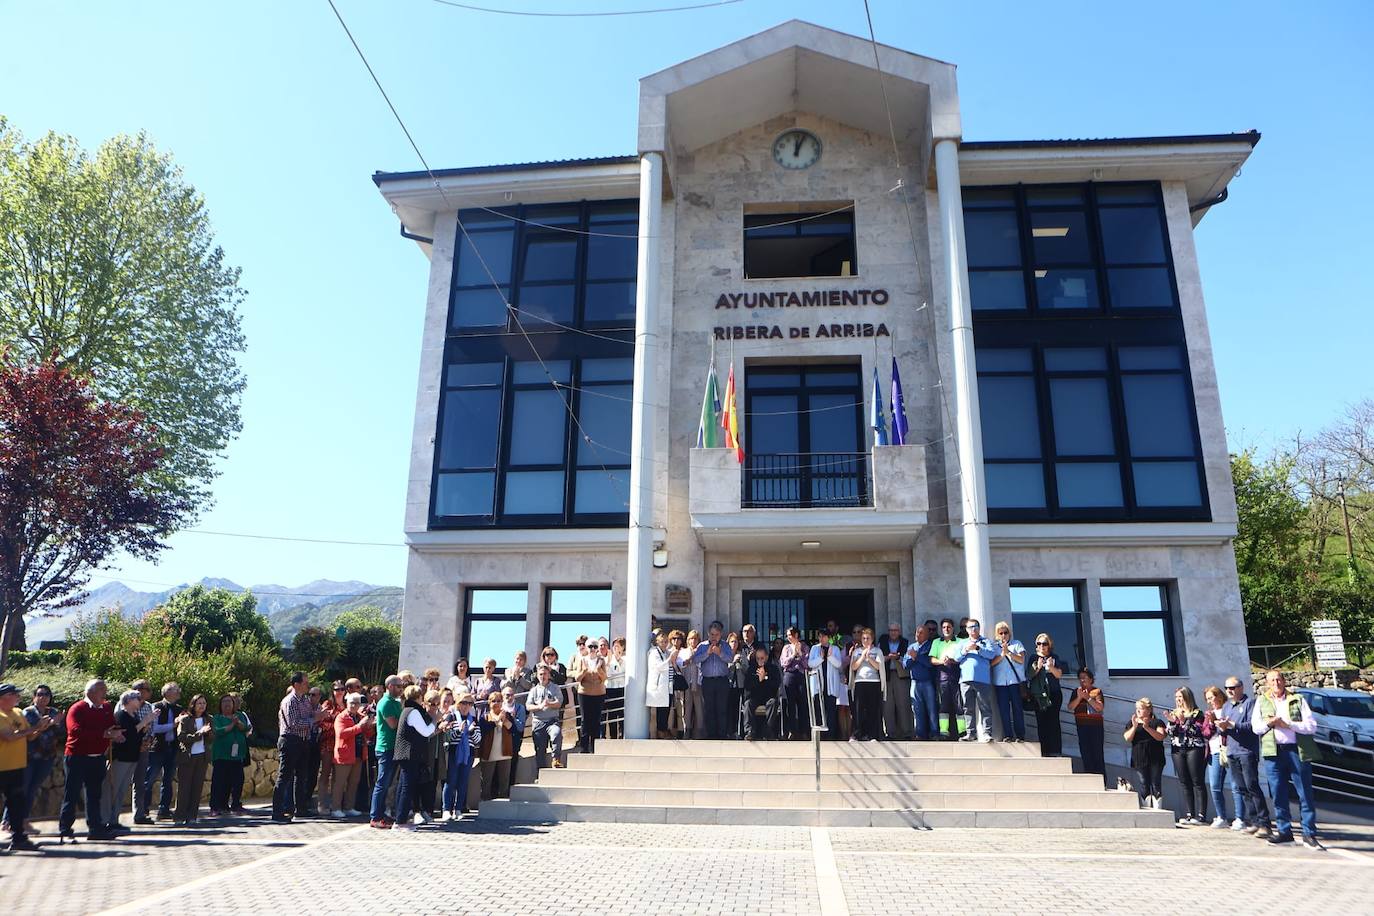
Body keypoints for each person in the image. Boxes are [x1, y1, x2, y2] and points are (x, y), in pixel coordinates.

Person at [1252, 670, 1322, 848]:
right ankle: (1284, 831)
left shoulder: (1297, 699)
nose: (1276, 683)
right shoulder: (1262, 701)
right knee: (1278, 793)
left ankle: (1309, 832)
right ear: (1267, 683)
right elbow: (1256, 728)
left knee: (1304, 792)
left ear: (1283, 681)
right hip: (1273, 752)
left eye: (1278, 679)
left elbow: (1311, 726)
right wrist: (1270, 723)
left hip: (1296, 750)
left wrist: (1287, 725)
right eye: (1272, 680)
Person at [59, 679, 123, 842]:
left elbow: (111, 725)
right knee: (71, 794)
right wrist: (103, 734)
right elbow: (75, 730)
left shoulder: (106, 708)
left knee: (95, 794)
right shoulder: (77, 708)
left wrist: (117, 733)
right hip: (77, 757)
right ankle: (65, 829)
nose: (105, 693)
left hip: (97, 758)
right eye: (102, 689)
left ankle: (95, 829)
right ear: (91, 692)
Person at [1218, 675, 1271, 838]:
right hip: (1232, 751)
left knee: (1252, 786)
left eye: (1232, 688)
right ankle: (1254, 821)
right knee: (1242, 788)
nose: (1229, 691)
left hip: (1247, 751)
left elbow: (1252, 726)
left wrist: (1232, 725)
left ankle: (1265, 823)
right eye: (1227, 688)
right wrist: (1221, 727)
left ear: (1241, 688)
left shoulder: (1250, 704)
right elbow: (1223, 730)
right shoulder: (1226, 706)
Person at [0, 684, 49, 851]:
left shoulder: (19, 713)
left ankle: (19, 838)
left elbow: (30, 737)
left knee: (16, 805)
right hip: (1, 767)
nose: (18, 697)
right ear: (3, 698)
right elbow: (8, 737)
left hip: (17, 767)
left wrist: (41, 727)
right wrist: (34, 729)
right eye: (14, 694)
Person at [18, 684, 63, 837]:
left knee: (32, 789)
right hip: (29, 757)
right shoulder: (28, 713)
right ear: (34, 697)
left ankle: (15, 821)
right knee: (24, 789)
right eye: (40, 694)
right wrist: (47, 725)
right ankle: (18, 821)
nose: (43, 697)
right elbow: (29, 735)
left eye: (46, 694)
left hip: (47, 757)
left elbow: (61, 733)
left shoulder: (54, 712)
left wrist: (55, 724)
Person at [273, 672, 315, 823]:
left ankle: (301, 808)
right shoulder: (289, 701)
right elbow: (294, 723)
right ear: (296, 684)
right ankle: (277, 812)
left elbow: (309, 716)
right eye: (305, 683)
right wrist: (314, 719)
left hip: (303, 741)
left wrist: (315, 717)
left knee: (301, 776)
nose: (307, 685)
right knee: (284, 776)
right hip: (290, 741)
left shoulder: (305, 700)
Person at [101, 689, 146, 831]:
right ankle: (105, 821)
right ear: (127, 701)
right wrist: (146, 721)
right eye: (137, 698)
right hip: (120, 757)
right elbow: (129, 734)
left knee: (121, 791)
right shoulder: (120, 715)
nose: (140, 700)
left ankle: (114, 820)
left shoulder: (135, 716)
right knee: (111, 789)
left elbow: (136, 736)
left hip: (132, 757)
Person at [1163, 685, 1208, 825]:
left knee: (1197, 781)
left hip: (1194, 748)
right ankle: (1190, 814)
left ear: (1187, 698)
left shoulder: (1197, 713)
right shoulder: (1174, 713)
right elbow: (1170, 733)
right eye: (1176, 698)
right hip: (1178, 749)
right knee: (1184, 782)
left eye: (1180, 697)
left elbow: (1198, 731)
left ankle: (1201, 815)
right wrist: (1172, 721)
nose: (1178, 701)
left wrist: (1183, 721)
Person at [141, 682, 181, 823]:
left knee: (168, 780)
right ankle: (144, 809)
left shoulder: (179, 709)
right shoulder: (157, 706)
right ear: (167, 692)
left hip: (173, 747)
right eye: (175, 690)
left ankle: (164, 809)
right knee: (150, 779)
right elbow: (155, 728)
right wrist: (173, 725)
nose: (178, 692)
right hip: (157, 748)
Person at [172, 694, 213, 825]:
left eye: (204, 703)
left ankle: (192, 816)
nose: (202, 706)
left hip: (202, 757)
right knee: (184, 788)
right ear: (193, 704)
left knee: (197, 787)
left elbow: (213, 738)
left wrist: (210, 732)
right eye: (199, 703)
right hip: (188, 757)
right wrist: (199, 733)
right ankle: (179, 816)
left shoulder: (208, 719)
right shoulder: (185, 720)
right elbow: (182, 737)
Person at [369, 675, 404, 829]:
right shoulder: (386, 703)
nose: (401, 689)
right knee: (382, 783)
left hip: (393, 748)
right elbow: (393, 724)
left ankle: (382, 814)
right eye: (398, 686)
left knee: (388, 783)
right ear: (390, 686)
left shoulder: (395, 703)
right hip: (385, 748)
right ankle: (375, 816)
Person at [956, 620, 998, 743]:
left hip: (982, 680)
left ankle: (987, 733)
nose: (973, 629)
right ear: (967, 630)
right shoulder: (962, 642)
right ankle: (970, 733)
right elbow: (956, 657)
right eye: (970, 627)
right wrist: (965, 650)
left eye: (975, 626)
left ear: (979, 628)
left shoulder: (986, 642)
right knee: (967, 708)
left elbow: (991, 655)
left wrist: (978, 648)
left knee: (985, 707)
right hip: (965, 679)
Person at [442, 694, 481, 818]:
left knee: (463, 781)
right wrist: (459, 730)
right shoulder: (451, 716)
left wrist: (471, 731)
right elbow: (447, 737)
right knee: (451, 780)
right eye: (464, 703)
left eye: (469, 704)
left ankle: (458, 809)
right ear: (458, 703)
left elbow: (478, 740)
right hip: (454, 752)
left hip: (468, 753)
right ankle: (446, 809)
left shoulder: (474, 719)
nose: (466, 706)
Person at [1123, 698, 1166, 809]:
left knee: (1155, 782)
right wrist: (1134, 726)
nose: (1138, 711)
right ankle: (1147, 808)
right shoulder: (1132, 723)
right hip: (1139, 757)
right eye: (1137, 708)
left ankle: (1158, 809)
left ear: (1149, 710)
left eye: (1141, 708)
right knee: (1143, 783)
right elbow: (1127, 738)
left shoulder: (1157, 722)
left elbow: (1160, 736)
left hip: (1155, 756)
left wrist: (1146, 727)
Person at [208, 695, 248, 816]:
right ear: (220, 705)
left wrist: (238, 722)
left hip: (237, 756)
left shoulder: (240, 716)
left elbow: (246, 728)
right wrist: (231, 725)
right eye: (224, 701)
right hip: (221, 755)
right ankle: (216, 806)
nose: (227, 704)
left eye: (229, 702)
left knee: (237, 781)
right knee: (219, 782)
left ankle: (236, 804)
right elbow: (218, 731)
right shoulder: (216, 718)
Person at [1202, 686, 1235, 828]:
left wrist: (1218, 721)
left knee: (1236, 785)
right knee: (1215, 785)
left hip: (1228, 749)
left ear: (1219, 696)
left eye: (1212, 697)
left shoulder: (1228, 709)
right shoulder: (1210, 713)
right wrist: (1210, 722)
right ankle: (1221, 816)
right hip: (1214, 751)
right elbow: (1206, 733)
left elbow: (1227, 730)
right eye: (1208, 699)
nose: (1210, 701)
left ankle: (1240, 818)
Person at [988, 621, 1027, 742]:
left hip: (1015, 682)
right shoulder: (994, 647)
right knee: (1004, 710)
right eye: (1001, 633)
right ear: (997, 635)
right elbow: (991, 663)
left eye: (1006, 632)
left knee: (1017, 709)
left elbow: (1021, 660)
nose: (1003, 635)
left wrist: (1009, 652)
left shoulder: (1017, 644)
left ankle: (1020, 735)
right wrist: (1002, 655)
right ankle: (1008, 735)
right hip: (1000, 684)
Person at [1026, 635, 1063, 756]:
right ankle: (1045, 751)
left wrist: (1051, 667)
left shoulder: (1054, 657)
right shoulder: (1033, 658)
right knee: (1042, 723)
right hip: (1039, 696)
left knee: (1054, 723)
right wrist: (1038, 666)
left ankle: (1056, 750)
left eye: (1045, 643)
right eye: (1039, 643)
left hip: (1054, 693)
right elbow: (1029, 675)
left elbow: (1058, 675)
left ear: (1049, 645)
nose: (1042, 646)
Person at [848, 627, 887, 742]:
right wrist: (862, 656)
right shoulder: (857, 651)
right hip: (860, 682)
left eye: (868, 638)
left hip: (874, 682)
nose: (865, 640)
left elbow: (878, 667)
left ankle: (873, 735)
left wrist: (869, 657)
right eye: (864, 638)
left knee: (873, 709)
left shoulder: (877, 651)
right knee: (859, 709)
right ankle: (857, 734)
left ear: (872, 639)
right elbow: (853, 667)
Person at [1069, 668, 1106, 786]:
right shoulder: (1076, 691)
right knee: (1085, 752)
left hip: (1095, 727)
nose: (1082, 680)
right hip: (1082, 726)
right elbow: (1070, 707)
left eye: (1084, 677)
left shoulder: (1097, 691)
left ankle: (1102, 782)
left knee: (1097, 753)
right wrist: (1079, 697)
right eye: (1080, 678)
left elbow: (1099, 707)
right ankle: (1090, 782)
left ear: (1091, 679)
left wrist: (1088, 698)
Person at [878, 623, 914, 740]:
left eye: (895, 630)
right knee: (887, 705)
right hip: (887, 676)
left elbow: (909, 660)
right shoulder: (882, 642)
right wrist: (887, 657)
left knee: (903, 704)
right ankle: (890, 732)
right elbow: (877, 658)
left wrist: (898, 658)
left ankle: (906, 732)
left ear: (899, 631)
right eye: (891, 630)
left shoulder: (906, 643)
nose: (893, 632)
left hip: (901, 676)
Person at [477, 690, 513, 802]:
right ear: (489, 703)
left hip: (505, 753)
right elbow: (485, 729)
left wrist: (505, 720)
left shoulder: (507, 715)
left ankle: (503, 803)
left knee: (504, 781)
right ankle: (485, 802)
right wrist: (497, 720)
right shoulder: (484, 717)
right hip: (489, 753)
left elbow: (514, 730)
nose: (496, 703)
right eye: (493, 701)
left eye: (499, 700)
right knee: (486, 781)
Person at [930, 618, 963, 740]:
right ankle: (944, 732)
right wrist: (942, 661)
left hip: (957, 677)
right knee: (943, 706)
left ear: (953, 628)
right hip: (942, 678)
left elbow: (963, 658)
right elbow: (932, 660)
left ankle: (962, 732)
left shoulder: (960, 641)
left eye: (948, 627)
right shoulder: (936, 642)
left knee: (959, 706)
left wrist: (952, 661)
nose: (946, 629)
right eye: (944, 627)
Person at [904, 624, 938, 740]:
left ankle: (934, 733)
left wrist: (916, 657)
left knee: (931, 709)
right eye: (917, 632)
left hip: (927, 681)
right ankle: (920, 733)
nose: (918, 635)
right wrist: (913, 658)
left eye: (921, 633)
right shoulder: (911, 647)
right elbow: (905, 664)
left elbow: (929, 663)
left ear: (927, 635)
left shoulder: (930, 646)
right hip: (914, 682)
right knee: (917, 709)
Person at [808, 631, 844, 740]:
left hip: (830, 686)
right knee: (819, 711)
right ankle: (820, 737)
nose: (821, 638)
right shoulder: (815, 648)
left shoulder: (835, 649)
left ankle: (831, 736)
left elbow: (838, 664)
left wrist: (829, 657)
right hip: (819, 685)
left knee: (831, 711)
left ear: (828, 637)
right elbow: (810, 664)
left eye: (824, 636)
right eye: (820, 636)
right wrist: (821, 658)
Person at [527, 664, 564, 769]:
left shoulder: (555, 688)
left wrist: (549, 704)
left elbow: (559, 703)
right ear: (537, 676)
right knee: (539, 750)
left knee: (556, 733)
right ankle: (540, 774)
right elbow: (528, 706)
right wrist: (539, 706)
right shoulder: (533, 690)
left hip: (552, 721)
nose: (543, 676)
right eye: (541, 674)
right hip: (538, 722)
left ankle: (556, 760)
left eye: (545, 674)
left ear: (549, 675)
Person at [575, 640, 607, 753]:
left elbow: (604, 678)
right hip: (584, 694)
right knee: (585, 720)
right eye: (590, 646)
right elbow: (577, 678)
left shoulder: (601, 661)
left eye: (595, 646)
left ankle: (594, 747)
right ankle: (584, 747)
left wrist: (598, 670)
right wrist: (584, 671)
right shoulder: (582, 660)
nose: (592, 649)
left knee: (596, 720)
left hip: (599, 694)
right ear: (587, 648)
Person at [743, 646, 781, 740]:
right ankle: (749, 731)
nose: (760, 660)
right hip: (755, 697)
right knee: (748, 704)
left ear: (767, 657)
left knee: (773, 703)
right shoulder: (751, 669)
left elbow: (776, 684)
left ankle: (768, 731)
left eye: (762, 658)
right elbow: (747, 686)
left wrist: (765, 679)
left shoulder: (773, 669)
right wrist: (759, 680)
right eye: (758, 658)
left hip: (768, 696)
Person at [779, 627, 810, 740]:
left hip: (801, 675)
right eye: (787, 635)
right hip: (789, 676)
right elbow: (783, 663)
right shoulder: (786, 647)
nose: (788, 637)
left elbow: (807, 663)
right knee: (790, 704)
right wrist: (793, 655)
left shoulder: (805, 646)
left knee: (802, 704)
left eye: (790, 635)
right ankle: (791, 730)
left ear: (796, 634)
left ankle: (803, 731)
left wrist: (800, 653)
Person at [227, 695, 254, 813]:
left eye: (239, 701)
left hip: (240, 749)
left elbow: (249, 729)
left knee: (239, 777)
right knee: (227, 778)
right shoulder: (224, 715)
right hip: (227, 750)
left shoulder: (242, 715)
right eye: (235, 701)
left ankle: (236, 802)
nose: (238, 703)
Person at [646, 630, 673, 738]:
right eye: (662, 641)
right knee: (658, 712)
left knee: (666, 711)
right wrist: (670, 659)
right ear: (657, 642)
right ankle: (659, 733)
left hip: (668, 686)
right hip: (659, 687)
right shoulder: (653, 652)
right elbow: (658, 667)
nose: (664, 644)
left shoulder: (667, 652)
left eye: (666, 641)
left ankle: (664, 730)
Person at [670, 630, 695, 738]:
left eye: (679, 638)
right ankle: (670, 730)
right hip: (669, 683)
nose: (676, 641)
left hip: (681, 682)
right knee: (671, 708)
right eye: (674, 638)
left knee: (681, 707)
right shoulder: (667, 650)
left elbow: (684, 663)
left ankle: (681, 731)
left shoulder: (684, 651)